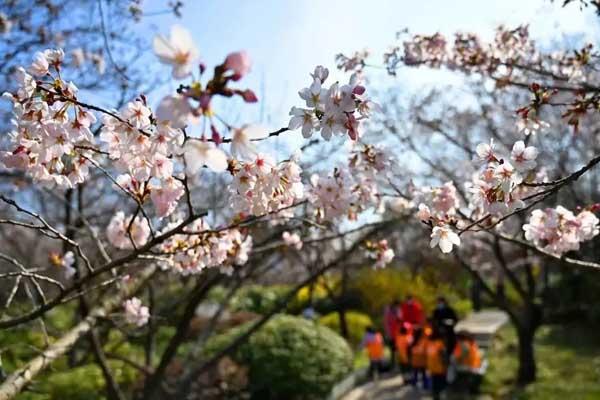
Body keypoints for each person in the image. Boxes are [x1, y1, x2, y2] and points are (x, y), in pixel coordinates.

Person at [452, 330, 484, 394]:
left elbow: (462, 355)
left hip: (467, 369)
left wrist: (458, 360)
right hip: (475, 369)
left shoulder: (464, 344)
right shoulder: (472, 344)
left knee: (463, 390)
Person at [426, 327, 448, 400]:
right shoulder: (440, 344)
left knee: (434, 386)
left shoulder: (429, 343)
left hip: (432, 368)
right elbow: (443, 357)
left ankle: (435, 397)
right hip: (440, 369)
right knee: (441, 387)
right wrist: (446, 366)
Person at [383, 300, 402, 368]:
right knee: (393, 350)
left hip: (398, 335)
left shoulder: (398, 311)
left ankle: (399, 363)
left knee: (399, 350)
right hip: (392, 335)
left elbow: (400, 320)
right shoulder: (389, 313)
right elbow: (386, 324)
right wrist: (388, 334)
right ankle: (394, 364)